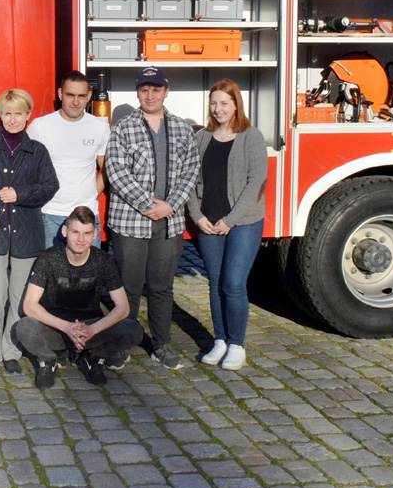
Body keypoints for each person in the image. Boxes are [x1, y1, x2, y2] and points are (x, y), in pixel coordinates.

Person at [105, 66, 200, 370]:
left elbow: (190, 170)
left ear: (166, 91)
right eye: (144, 90)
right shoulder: (123, 127)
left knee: (161, 288)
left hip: (168, 223)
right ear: (137, 92)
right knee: (128, 288)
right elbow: (116, 171)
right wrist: (147, 204)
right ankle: (123, 343)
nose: (150, 95)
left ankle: (161, 345)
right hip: (131, 221)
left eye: (156, 89)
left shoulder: (183, 129)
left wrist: (170, 205)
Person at [0, 89, 59, 375]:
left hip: (27, 235)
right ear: (0, 115)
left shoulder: (37, 150)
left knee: (19, 295)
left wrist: (20, 193)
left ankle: (11, 349)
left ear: (28, 116)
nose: (13, 119)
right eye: (8, 113)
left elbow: (49, 186)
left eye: (19, 113)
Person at [187, 80, 268, 371]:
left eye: (224, 103)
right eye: (213, 103)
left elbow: (254, 182)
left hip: (242, 223)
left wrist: (229, 220)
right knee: (215, 284)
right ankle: (219, 340)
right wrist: (197, 217)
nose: (218, 109)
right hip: (208, 223)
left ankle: (237, 344)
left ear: (236, 104)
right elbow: (190, 181)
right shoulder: (202, 138)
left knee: (233, 284)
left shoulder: (251, 136)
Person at [14, 206, 143, 389]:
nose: (81, 239)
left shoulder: (104, 261)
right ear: (65, 231)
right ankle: (48, 360)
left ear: (94, 234)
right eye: (75, 232)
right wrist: (66, 327)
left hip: (89, 327)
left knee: (133, 330)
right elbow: (29, 306)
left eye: (87, 233)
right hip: (56, 328)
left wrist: (92, 330)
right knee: (24, 327)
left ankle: (94, 357)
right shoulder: (48, 259)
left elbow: (123, 307)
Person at [27, 71, 110, 245]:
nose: (75, 102)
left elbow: (105, 169)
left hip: (86, 215)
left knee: (87, 272)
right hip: (50, 215)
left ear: (89, 96)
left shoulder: (100, 127)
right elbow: (27, 170)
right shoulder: (40, 127)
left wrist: (91, 194)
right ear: (60, 94)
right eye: (70, 95)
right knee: (52, 271)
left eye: (81, 96)